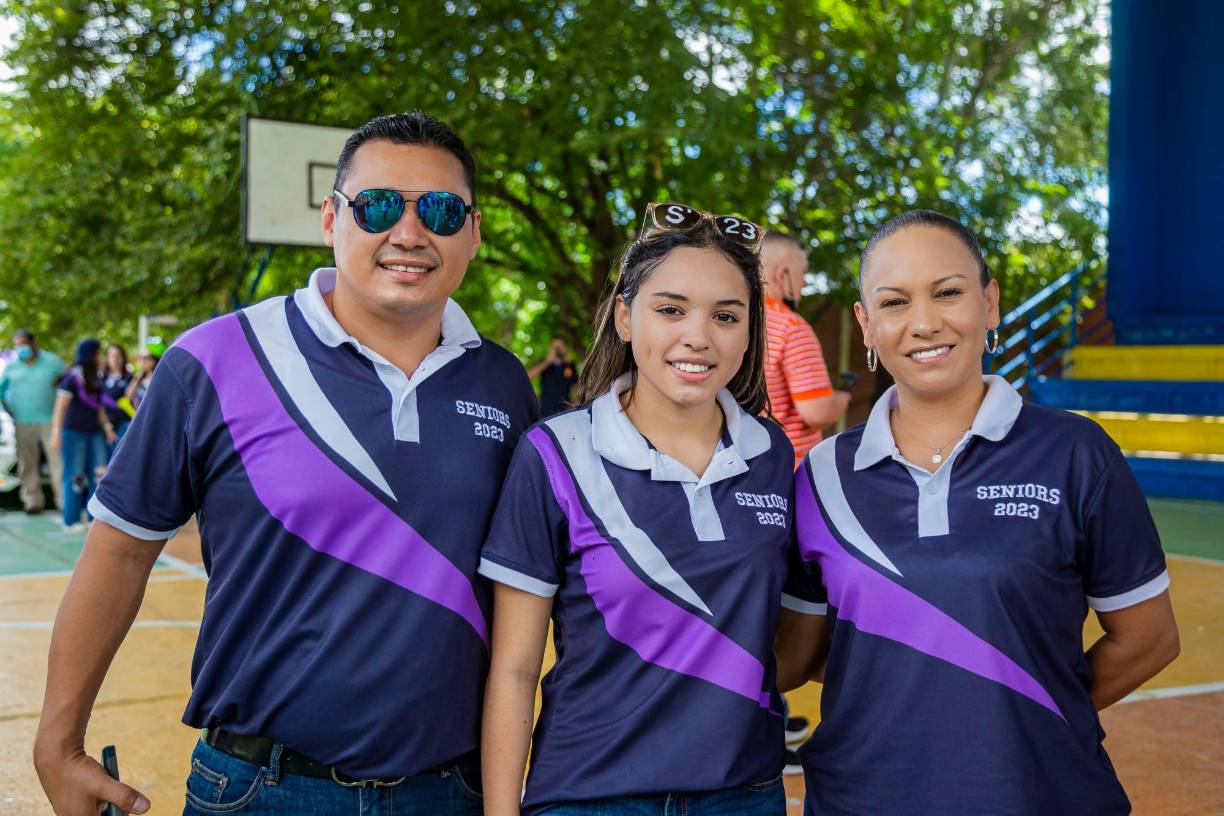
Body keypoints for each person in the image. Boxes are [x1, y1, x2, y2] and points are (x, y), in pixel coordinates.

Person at [34, 112, 538, 816]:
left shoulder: (504, 384)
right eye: (380, 206)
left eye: (444, 212)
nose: (411, 233)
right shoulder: (211, 360)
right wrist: (57, 747)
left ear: (474, 234)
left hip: (455, 791)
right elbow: (118, 555)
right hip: (260, 790)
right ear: (332, 218)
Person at [774, 210, 1180, 815]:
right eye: (894, 302)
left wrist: (1024, 711)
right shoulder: (822, 475)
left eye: (948, 293)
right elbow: (797, 658)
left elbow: (1148, 640)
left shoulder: (1075, 452)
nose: (924, 322)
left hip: (1041, 794)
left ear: (989, 304)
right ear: (866, 324)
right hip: (863, 797)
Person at [481, 203, 793, 816]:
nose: (697, 336)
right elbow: (514, 670)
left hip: (744, 793)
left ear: (750, 329)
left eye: (725, 316)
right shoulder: (556, 454)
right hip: (592, 794)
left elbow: (789, 637)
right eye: (670, 309)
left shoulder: (771, 453)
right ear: (624, 316)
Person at [761, 232, 849, 469]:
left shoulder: (731, 322)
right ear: (782, 275)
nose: (805, 282)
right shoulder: (791, 327)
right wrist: (839, 401)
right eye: (803, 273)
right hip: (786, 472)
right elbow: (817, 413)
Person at [49, 339, 116, 529]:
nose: (100, 356)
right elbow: (60, 408)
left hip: (95, 433)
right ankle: (71, 519)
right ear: (92, 354)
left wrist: (107, 428)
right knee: (75, 476)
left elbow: (99, 407)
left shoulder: (96, 377)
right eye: (98, 353)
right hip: (73, 433)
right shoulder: (72, 377)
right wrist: (55, 434)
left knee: (99, 474)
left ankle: (94, 516)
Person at [0, 329, 66, 513]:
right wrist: (10, 412)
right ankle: (32, 501)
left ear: (34, 343)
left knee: (57, 463)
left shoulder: (52, 362)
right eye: (17, 345)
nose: (21, 348)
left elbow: (69, 380)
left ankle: (63, 501)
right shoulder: (12, 367)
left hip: (50, 421)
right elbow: (1, 391)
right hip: (22, 422)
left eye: (24, 344)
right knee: (27, 463)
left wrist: (59, 381)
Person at [527, 337, 579, 416]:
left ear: (565, 348)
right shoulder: (544, 363)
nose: (557, 349)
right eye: (555, 346)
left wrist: (573, 405)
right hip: (543, 412)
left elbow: (577, 388)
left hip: (563, 413)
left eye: (560, 346)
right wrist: (548, 361)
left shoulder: (571, 366)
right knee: (537, 429)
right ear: (550, 348)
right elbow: (528, 375)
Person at [102, 343, 132, 455]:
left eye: (119, 356)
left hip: (123, 424)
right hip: (104, 425)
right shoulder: (101, 378)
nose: (116, 359)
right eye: (113, 356)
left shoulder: (129, 378)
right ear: (108, 358)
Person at [123, 347, 159, 414]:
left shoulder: (158, 379)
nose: (142, 361)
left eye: (146, 358)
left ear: (154, 360)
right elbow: (128, 395)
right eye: (140, 358)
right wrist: (140, 375)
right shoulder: (138, 378)